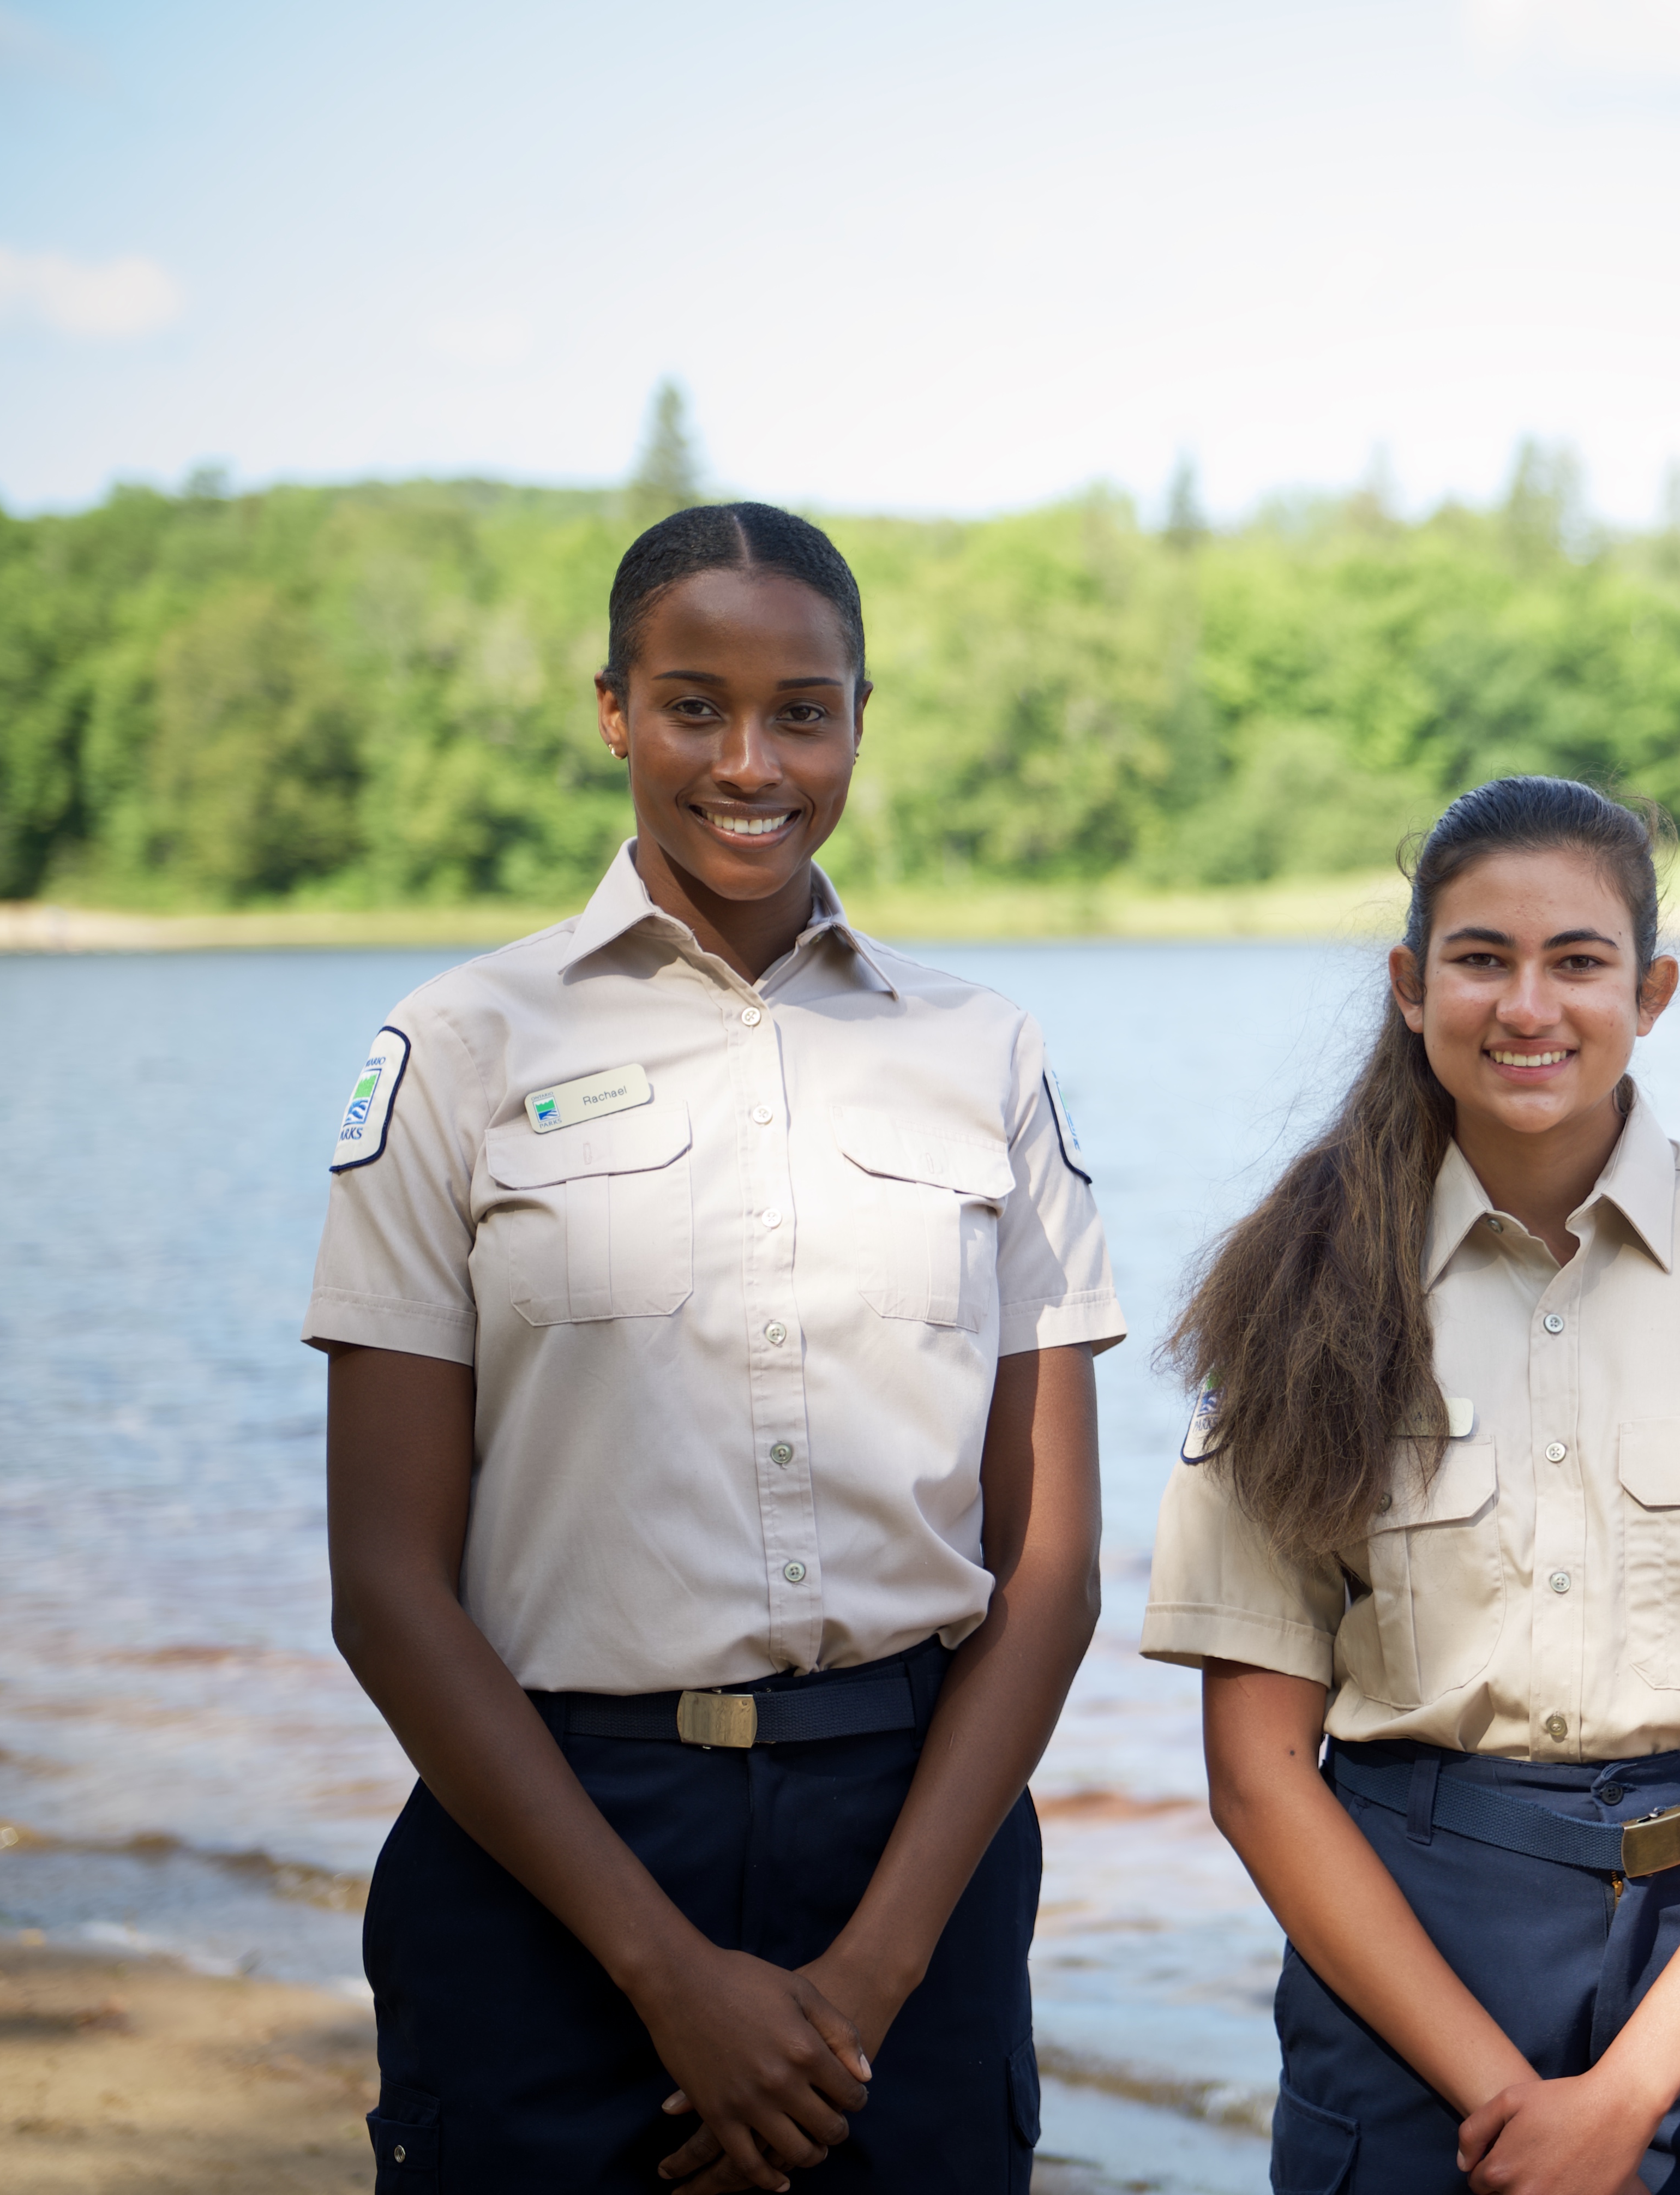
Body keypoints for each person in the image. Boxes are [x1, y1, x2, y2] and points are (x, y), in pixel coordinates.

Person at [308, 502, 1120, 2193]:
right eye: (694, 704)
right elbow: (388, 1583)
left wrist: (873, 1977)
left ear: (858, 721)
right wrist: (667, 1977)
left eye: (802, 710)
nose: (751, 760)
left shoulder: (986, 1053)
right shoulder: (457, 1047)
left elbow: (1047, 1567)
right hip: (550, 1851)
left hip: (914, 1846)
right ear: (614, 709)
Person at [1142, 776, 1680, 2194]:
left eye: (1578, 961)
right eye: (1482, 959)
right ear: (1412, 987)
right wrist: (1500, 2091)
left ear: (1651, 991)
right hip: (1413, 1958)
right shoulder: (1294, 1290)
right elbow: (1258, 1771)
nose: (1528, 1006)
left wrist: (1631, 2092)